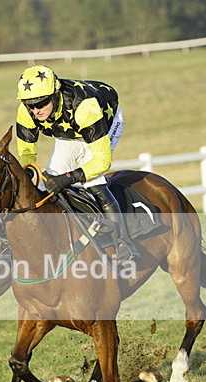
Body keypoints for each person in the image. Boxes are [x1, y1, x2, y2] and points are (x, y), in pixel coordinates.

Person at [15, 65, 140, 261]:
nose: (35, 110)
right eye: (29, 104)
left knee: (92, 182)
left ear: (55, 95)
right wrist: (30, 174)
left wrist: (69, 178)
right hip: (69, 135)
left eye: (41, 103)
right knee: (48, 183)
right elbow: (27, 154)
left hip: (103, 123)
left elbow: (102, 160)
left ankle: (123, 242)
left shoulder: (85, 107)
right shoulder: (27, 111)